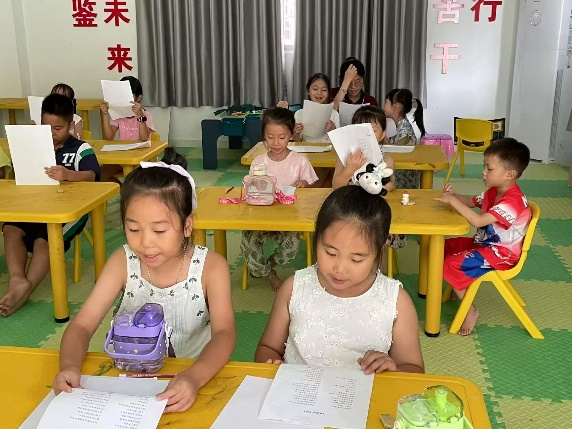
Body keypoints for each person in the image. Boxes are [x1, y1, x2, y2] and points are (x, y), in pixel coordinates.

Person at [52, 149, 236, 413]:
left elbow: (224, 334)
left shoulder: (211, 267)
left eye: (159, 230)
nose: (145, 242)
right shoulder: (122, 262)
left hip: (193, 378)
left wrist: (194, 377)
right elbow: (82, 325)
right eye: (133, 229)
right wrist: (69, 366)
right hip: (129, 381)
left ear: (187, 225)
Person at [254, 185, 424, 374]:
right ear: (317, 237)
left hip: (367, 393)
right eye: (330, 253)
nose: (340, 269)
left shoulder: (396, 301)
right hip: (298, 392)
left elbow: (413, 368)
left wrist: (394, 370)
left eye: (356, 259)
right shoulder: (293, 288)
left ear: (379, 249)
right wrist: (271, 365)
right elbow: (268, 348)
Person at [0, 94, 101, 316]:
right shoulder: (36, 145)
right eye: (47, 127)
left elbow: (93, 176)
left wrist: (69, 175)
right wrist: (26, 143)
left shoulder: (80, 149)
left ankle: (26, 289)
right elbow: (19, 173)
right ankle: (17, 280)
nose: (52, 133)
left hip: (69, 212)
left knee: (44, 239)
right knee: (11, 228)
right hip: (35, 207)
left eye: (58, 128)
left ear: (70, 125)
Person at [436, 138, 531, 336]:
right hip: (485, 246)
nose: (484, 172)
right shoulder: (493, 191)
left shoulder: (511, 202)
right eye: (484, 166)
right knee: (441, 248)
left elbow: (477, 221)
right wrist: (454, 195)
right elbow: (470, 202)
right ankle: (458, 287)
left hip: (501, 255)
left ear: (510, 174)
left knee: (450, 263)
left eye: (490, 168)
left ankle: (470, 310)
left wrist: (452, 201)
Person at [240, 107, 319, 291]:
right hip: (261, 218)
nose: (276, 143)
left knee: (291, 249)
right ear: (264, 135)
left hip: (289, 220)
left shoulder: (300, 161)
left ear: (291, 135)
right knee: (247, 242)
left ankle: (266, 265)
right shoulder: (259, 162)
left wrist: (304, 185)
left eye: (282, 137)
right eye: (270, 137)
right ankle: (271, 275)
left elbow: (311, 188)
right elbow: (249, 190)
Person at [332, 105, 406, 256]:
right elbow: (336, 185)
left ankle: (378, 269)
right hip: (350, 209)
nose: (365, 136)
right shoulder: (344, 158)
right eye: (359, 130)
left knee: (378, 236)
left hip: (375, 210)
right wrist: (350, 169)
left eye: (372, 131)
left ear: (383, 134)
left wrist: (377, 177)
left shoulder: (386, 159)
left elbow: (390, 186)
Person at [100, 76, 155, 182]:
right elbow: (109, 137)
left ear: (138, 98)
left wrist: (140, 116)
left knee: (134, 176)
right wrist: (104, 114)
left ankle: (130, 190)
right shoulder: (118, 115)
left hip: (140, 158)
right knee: (100, 173)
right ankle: (123, 189)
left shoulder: (146, 115)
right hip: (122, 156)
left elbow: (144, 138)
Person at [383, 88, 427, 189]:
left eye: (386, 102)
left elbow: (393, 152)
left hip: (403, 179)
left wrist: (383, 135)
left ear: (396, 107)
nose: (384, 105)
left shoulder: (405, 130)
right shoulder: (396, 124)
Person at [277, 73, 340, 143]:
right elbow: (298, 142)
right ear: (308, 91)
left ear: (328, 93)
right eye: (315, 89)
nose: (319, 93)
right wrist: (296, 133)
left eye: (324, 90)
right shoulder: (299, 114)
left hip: (328, 149)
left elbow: (338, 143)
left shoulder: (334, 114)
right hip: (307, 149)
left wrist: (334, 131)